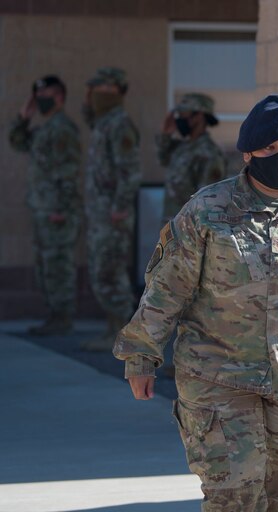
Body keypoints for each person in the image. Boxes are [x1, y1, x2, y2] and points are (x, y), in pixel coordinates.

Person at [113, 95, 278, 512]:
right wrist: (141, 355)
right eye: (270, 148)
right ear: (248, 154)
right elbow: (167, 287)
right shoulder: (207, 211)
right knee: (233, 497)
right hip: (219, 378)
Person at [8, 75, 82, 335]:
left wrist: (61, 209)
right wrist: (23, 117)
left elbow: (69, 171)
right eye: (37, 95)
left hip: (56, 211)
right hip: (44, 208)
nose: (39, 99)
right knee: (46, 266)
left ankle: (62, 319)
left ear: (59, 97)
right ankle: (55, 316)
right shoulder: (46, 128)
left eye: (45, 94)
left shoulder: (63, 128)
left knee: (58, 265)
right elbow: (17, 142)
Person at [80, 67, 141, 351]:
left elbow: (130, 172)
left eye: (107, 87)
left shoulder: (120, 124)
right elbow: (88, 114)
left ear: (120, 91)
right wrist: (88, 97)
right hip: (101, 214)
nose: (100, 93)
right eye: (97, 88)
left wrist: (120, 207)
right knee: (102, 270)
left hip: (113, 215)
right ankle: (113, 330)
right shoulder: (103, 122)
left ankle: (123, 336)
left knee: (110, 272)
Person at [157, 92, 227, 221]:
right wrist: (165, 135)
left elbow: (208, 201)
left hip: (189, 227)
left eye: (183, 114)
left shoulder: (209, 153)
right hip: (172, 223)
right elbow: (163, 159)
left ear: (198, 116)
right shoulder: (182, 147)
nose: (179, 119)